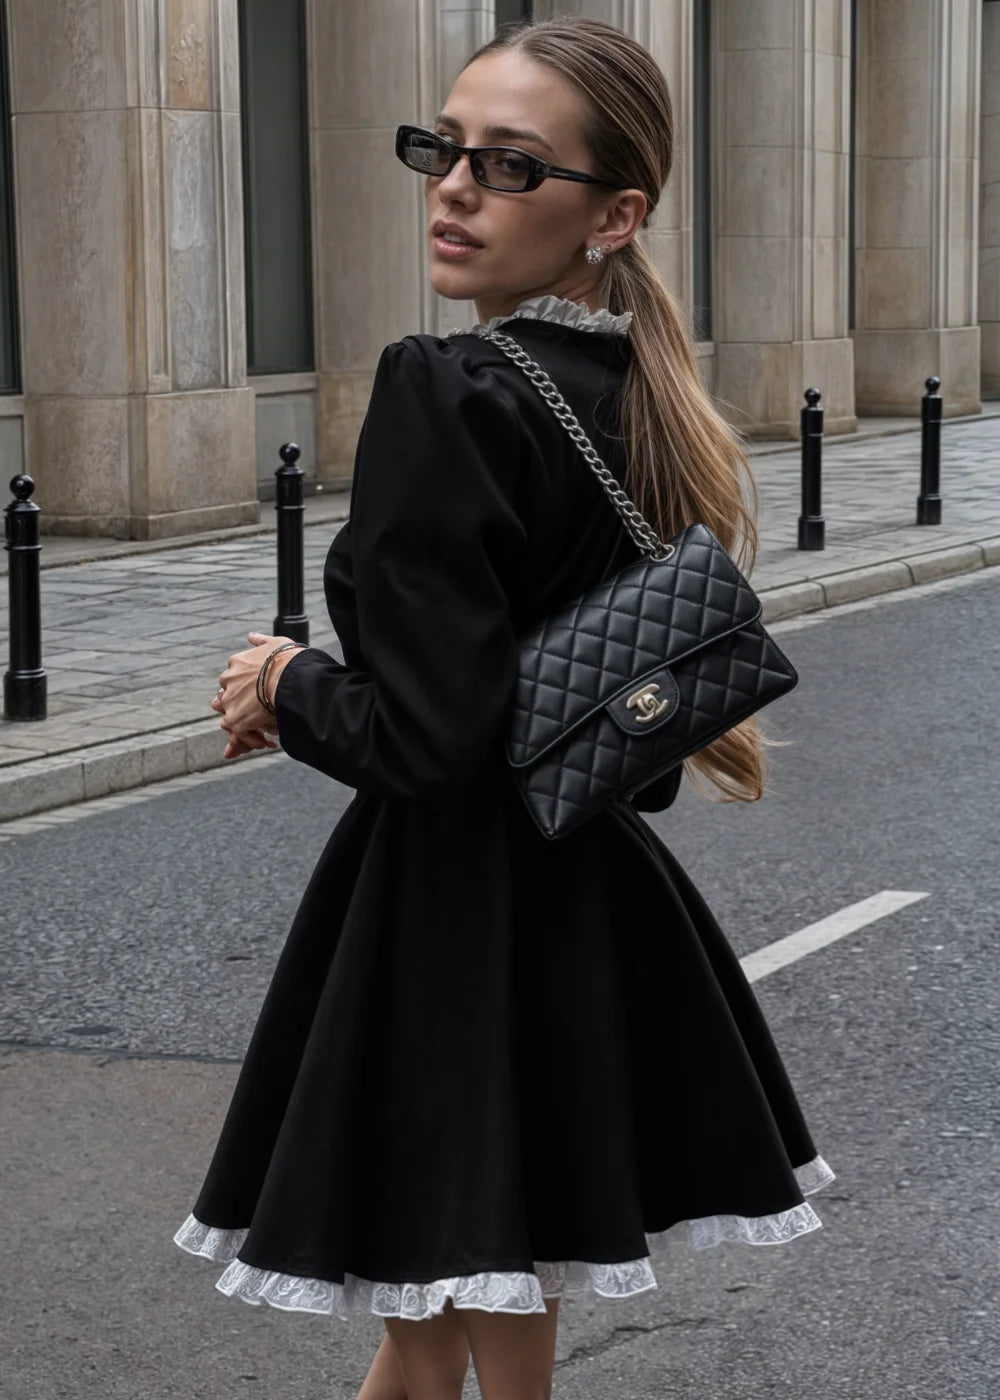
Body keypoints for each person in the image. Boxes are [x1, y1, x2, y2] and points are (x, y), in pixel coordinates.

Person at [175, 15, 834, 1400]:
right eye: (445, 149)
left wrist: (285, 681)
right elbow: (619, 757)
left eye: (513, 167)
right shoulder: (633, 401)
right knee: (447, 1314)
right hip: (579, 910)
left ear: (617, 214)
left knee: (458, 1300)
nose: (457, 187)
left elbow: (434, 743)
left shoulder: (449, 389)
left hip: (453, 928)